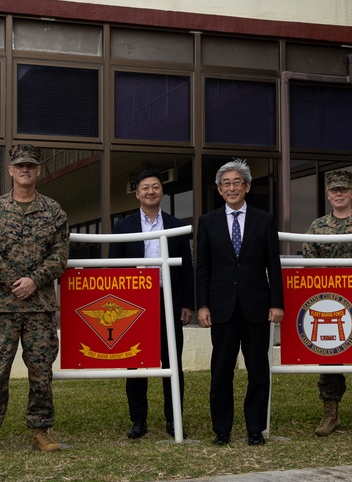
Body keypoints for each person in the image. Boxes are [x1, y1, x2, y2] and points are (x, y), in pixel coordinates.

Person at [0, 143, 70, 454]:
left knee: (41, 371)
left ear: (38, 171)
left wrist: (35, 280)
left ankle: (41, 431)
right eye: (20, 165)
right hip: (1, 307)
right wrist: (16, 281)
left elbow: (61, 254)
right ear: (10, 170)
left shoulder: (53, 211)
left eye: (31, 166)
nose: (25, 170)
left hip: (39, 308)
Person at [196, 159, 283, 446]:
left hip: (257, 306)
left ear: (246, 186)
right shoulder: (207, 222)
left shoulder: (264, 219)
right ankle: (222, 430)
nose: (231, 188)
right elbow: (203, 268)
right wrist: (203, 305)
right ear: (220, 190)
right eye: (226, 183)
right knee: (221, 371)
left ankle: (255, 429)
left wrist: (276, 303)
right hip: (221, 308)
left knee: (258, 370)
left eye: (237, 182)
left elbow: (274, 264)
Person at [109, 169, 195, 439]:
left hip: (168, 299)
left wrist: (187, 304)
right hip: (133, 303)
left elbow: (187, 267)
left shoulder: (176, 225)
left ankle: (174, 420)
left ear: (162, 192)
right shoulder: (123, 226)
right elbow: (114, 269)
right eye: (145, 187)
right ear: (137, 194)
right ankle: (138, 421)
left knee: (172, 362)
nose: (150, 191)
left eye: (155, 187)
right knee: (135, 364)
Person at [303, 170, 352, 437]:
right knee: (328, 356)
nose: (339, 194)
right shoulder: (317, 227)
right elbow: (309, 264)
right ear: (328, 194)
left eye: (343, 190)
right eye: (334, 190)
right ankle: (330, 414)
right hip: (328, 302)